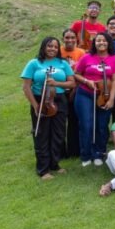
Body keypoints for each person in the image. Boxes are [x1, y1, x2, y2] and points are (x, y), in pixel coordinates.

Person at [21, 37, 76, 179]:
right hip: (41, 100)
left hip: (59, 100)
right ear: (44, 47)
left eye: (55, 47)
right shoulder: (34, 63)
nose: (52, 49)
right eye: (49, 46)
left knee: (58, 134)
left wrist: (57, 83)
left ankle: (54, 164)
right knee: (42, 134)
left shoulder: (63, 63)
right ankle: (43, 169)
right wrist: (35, 105)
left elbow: (72, 83)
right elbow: (26, 87)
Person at [74, 32, 115, 167]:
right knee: (86, 124)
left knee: (101, 125)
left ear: (108, 43)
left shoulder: (114, 59)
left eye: (104, 40)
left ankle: (99, 153)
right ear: (94, 43)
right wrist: (86, 81)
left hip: (105, 96)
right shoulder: (86, 57)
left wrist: (111, 99)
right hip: (85, 94)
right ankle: (86, 154)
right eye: (98, 40)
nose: (101, 43)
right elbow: (76, 74)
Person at [60, 28, 85, 158]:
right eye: (67, 38)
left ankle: (74, 150)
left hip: (76, 89)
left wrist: (74, 90)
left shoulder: (81, 53)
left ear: (76, 39)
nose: (69, 40)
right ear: (63, 39)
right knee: (60, 121)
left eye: (72, 38)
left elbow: (83, 72)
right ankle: (60, 151)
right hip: (59, 89)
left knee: (74, 120)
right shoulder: (57, 51)